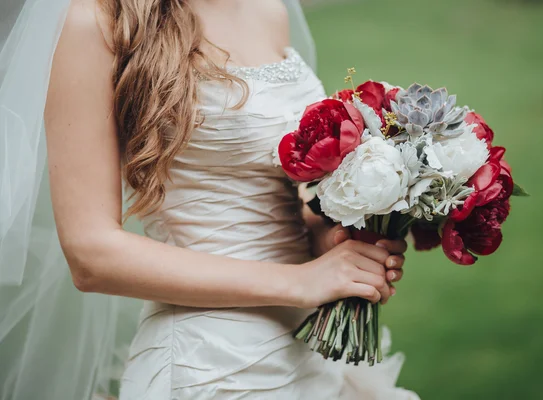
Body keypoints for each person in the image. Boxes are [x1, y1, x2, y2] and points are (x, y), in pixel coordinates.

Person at [0, 0, 419, 398]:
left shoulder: (267, 9)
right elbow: (91, 255)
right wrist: (301, 282)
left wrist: (329, 242)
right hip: (210, 361)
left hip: (311, 346)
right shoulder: (98, 22)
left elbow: (267, 196)